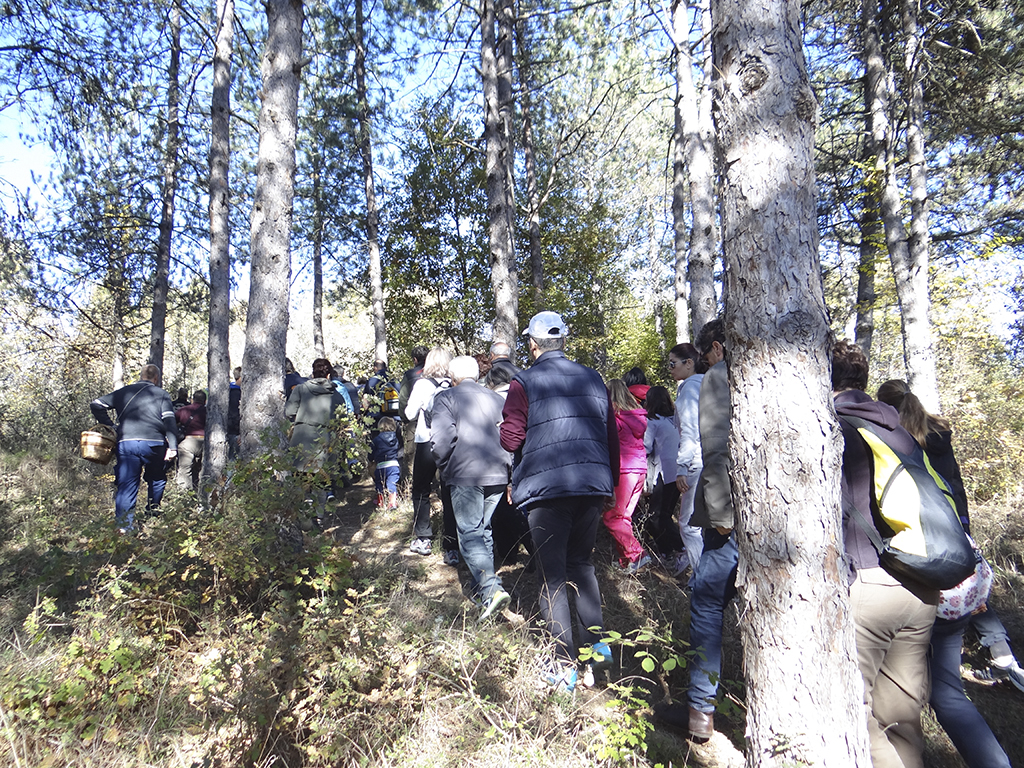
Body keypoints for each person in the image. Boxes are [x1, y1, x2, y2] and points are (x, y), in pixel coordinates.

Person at [877, 379, 1014, 768]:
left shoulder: (890, 442)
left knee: (893, 687)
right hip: (956, 562)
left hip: (914, 573)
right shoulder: (937, 434)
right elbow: (956, 490)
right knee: (948, 690)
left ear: (884, 408)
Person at [500, 311, 619, 692]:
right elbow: (611, 436)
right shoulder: (593, 378)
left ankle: (563, 666)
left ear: (532, 345)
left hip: (547, 489)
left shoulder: (523, 382)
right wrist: (611, 485)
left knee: (551, 576)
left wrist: (504, 429)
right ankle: (597, 655)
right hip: (592, 486)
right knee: (581, 566)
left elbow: (510, 440)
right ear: (563, 341)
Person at [833, 341, 937, 768]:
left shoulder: (833, 426)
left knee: (851, 709)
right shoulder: (898, 426)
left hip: (871, 581)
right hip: (922, 581)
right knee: (902, 718)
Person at [430, 355, 512, 620]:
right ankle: (483, 593)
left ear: (452, 377)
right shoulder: (497, 399)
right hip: (497, 473)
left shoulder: (446, 398)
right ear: (477, 375)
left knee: (470, 534)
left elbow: (441, 440)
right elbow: (510, 436)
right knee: (483, 530)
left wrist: (444, 466)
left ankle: (491, 589)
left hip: (465, 473)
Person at [90, 364, 178, 530]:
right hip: (154, 443)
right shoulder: (161, 394)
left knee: (127, 485)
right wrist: (173, 447)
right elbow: (169, 421)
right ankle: (152, 514)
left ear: (141, 376)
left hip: (126, 443)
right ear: (156, 378)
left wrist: (111, 426)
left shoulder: (124, 392)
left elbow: (96, 404)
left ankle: (124, 527)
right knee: (157, 478)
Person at [404, 347, 457, 560]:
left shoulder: (422, 384)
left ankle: (424, 538)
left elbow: (409, 414)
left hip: (426, 441)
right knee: (449, 491)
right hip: (450, 443)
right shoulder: (454, 384)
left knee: (421, 489)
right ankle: (451, 546)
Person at [285, 358, 347, 523]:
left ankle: (303, 518)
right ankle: (318, 517)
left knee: (300, 481)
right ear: (328, 374)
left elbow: (289, 412)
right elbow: (343, 421)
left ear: (313, 372)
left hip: (301, 440)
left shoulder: (300, 390)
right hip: (325, 441)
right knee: (321, 482)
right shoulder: (336, 395)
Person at [604, 379, 650, 573]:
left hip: (624, 469)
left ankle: (638, 555)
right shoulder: (637, 416)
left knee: (612, 516)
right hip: (639, 470)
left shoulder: (615, 418)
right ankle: (626, 560)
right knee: (624, 517)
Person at [642, 385, 687, 576]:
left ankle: (681, 548)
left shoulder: (652, 422)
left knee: (655, 516)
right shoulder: (674, 420)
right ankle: (666, 551)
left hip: (661, 473)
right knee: (664, 514)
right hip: (677, 472)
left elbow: (645, 447)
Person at [671, 342, 706, 577]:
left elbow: (689, 431)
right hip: (713, 459)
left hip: (695, 461)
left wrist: (682, 467)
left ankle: (703, 578)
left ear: (689, 363)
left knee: (688, 525)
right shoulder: (709, 384)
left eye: (673, 363)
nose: (670, 369)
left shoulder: (690, 388)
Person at [175, 390, 207, 492]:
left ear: (192, 399)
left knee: (185, 470)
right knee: (204, 470)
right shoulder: (209, 411)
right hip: (206, 443)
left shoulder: (184, 410)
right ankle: (203, 493)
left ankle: (184, 494)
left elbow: (171, 421)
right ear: (205, 401)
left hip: (188, 442)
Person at [370, 416, 402, 510]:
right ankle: (392, 503)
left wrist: (371, 459)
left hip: (381, 465)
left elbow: (371, 452)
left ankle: (381, 502)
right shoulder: (396, 439)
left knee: (379, 483)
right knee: (391, 484)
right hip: (394, 465)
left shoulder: (376, 440)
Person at [227, 367, 242, 460]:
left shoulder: (228, 391)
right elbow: (234, 414)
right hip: (234, 432)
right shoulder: (236, 394)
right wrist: (240, 432)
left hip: (230, 430)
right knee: (234, 459)